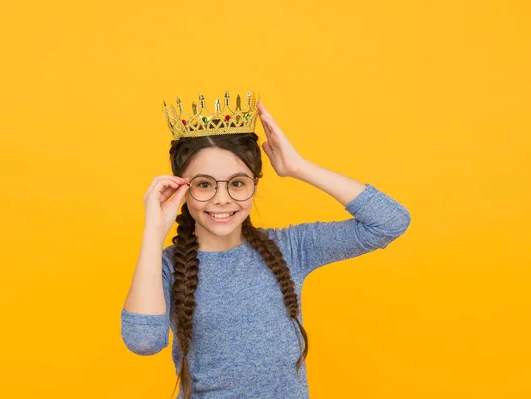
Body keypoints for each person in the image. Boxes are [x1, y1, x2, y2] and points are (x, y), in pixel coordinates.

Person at [121, 91, 411, 399]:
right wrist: (153, 232)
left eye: (237, 183)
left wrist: (298, 167)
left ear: (254, 184)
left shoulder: (290, 247)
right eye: (204, 184)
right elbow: (143, 342)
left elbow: (389, 222)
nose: (222, 198)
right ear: (181, 188)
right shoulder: (166, 265)